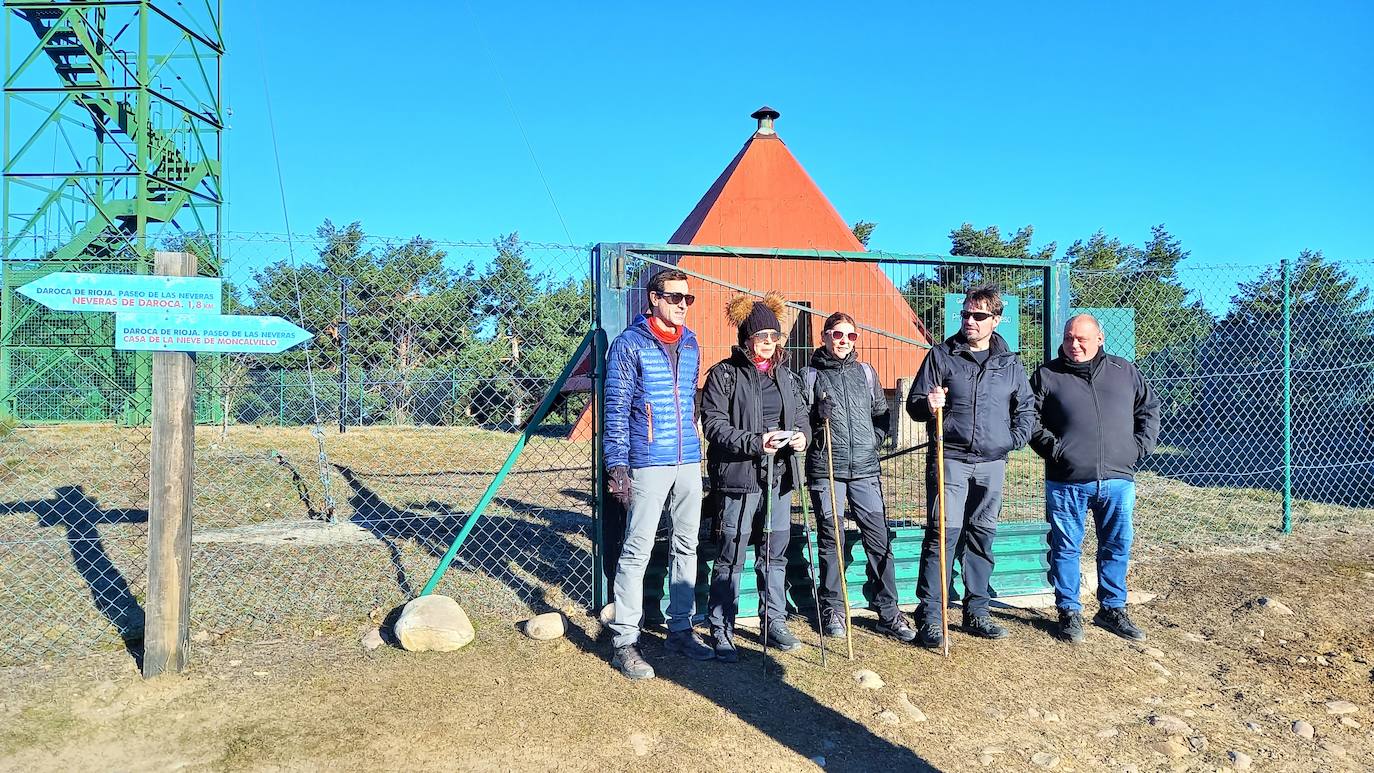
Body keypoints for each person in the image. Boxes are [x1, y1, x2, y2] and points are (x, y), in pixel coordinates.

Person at [907, 286, 1035, 649]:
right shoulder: (942, 356)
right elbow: (915, 404)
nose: (970, 322)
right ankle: (931, 617)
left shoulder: (1009, 363)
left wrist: (1011, 439)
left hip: (992, 463)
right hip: (950, 459)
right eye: (965, 314)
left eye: (979, 316)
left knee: (982, 535)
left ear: (996, 320)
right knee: (943, 535)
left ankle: (977, 611)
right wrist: (928, 404)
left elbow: (1025, 407)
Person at [603, 268, 714, 680]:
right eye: (674, 297)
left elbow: (690, 400)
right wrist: (617, 465)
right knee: (638, 549)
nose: (682, 304)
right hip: (648, 461)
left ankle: (680, 628)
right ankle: (624, 641)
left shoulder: (690, 343)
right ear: (653, 298)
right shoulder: (628, 345)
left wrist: (696, 451)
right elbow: (615, 408)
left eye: (688, 298)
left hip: (688, 460)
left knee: (687, 545)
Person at [1030, 314, 1161, 644]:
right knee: (1066, 547)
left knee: (1117, 546)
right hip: (1067, 481)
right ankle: (1069, 611)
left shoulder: (1124, 371)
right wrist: (1056, 450)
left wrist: (1138, 448)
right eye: (1069, 338)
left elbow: (1148, 409)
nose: (1074, 344)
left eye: (1082, 339)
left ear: (1100, 339)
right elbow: (1028, 419)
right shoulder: (1048, 375)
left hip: (1118, 480)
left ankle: (1112, 609)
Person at [701, 291, 811, 662]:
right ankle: (721, 627)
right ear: (746, 339)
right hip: (739, 477)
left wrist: (800, 437)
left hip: (779, 478)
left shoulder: (787, 376)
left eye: (773, 337)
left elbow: (802, 419)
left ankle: (773, 621)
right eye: (761, 337)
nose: (768, 344)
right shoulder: (724, 374)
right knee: (731, 554)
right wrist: (754, 442)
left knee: (774, 553)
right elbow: (713, 425)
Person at [802, 312, 914, 642]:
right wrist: (813, 417)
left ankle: (888, 611)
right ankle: (834, 607)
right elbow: (800, 426)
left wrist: (873, 443)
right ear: (823, 336)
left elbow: (882, 415)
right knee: (831, 539)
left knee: (879, 539)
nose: (844, 341)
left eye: (851, 336)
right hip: (827, 470)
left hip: (865, 469)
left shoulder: (866, 373)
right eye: (837, 334)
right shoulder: (809, 376)